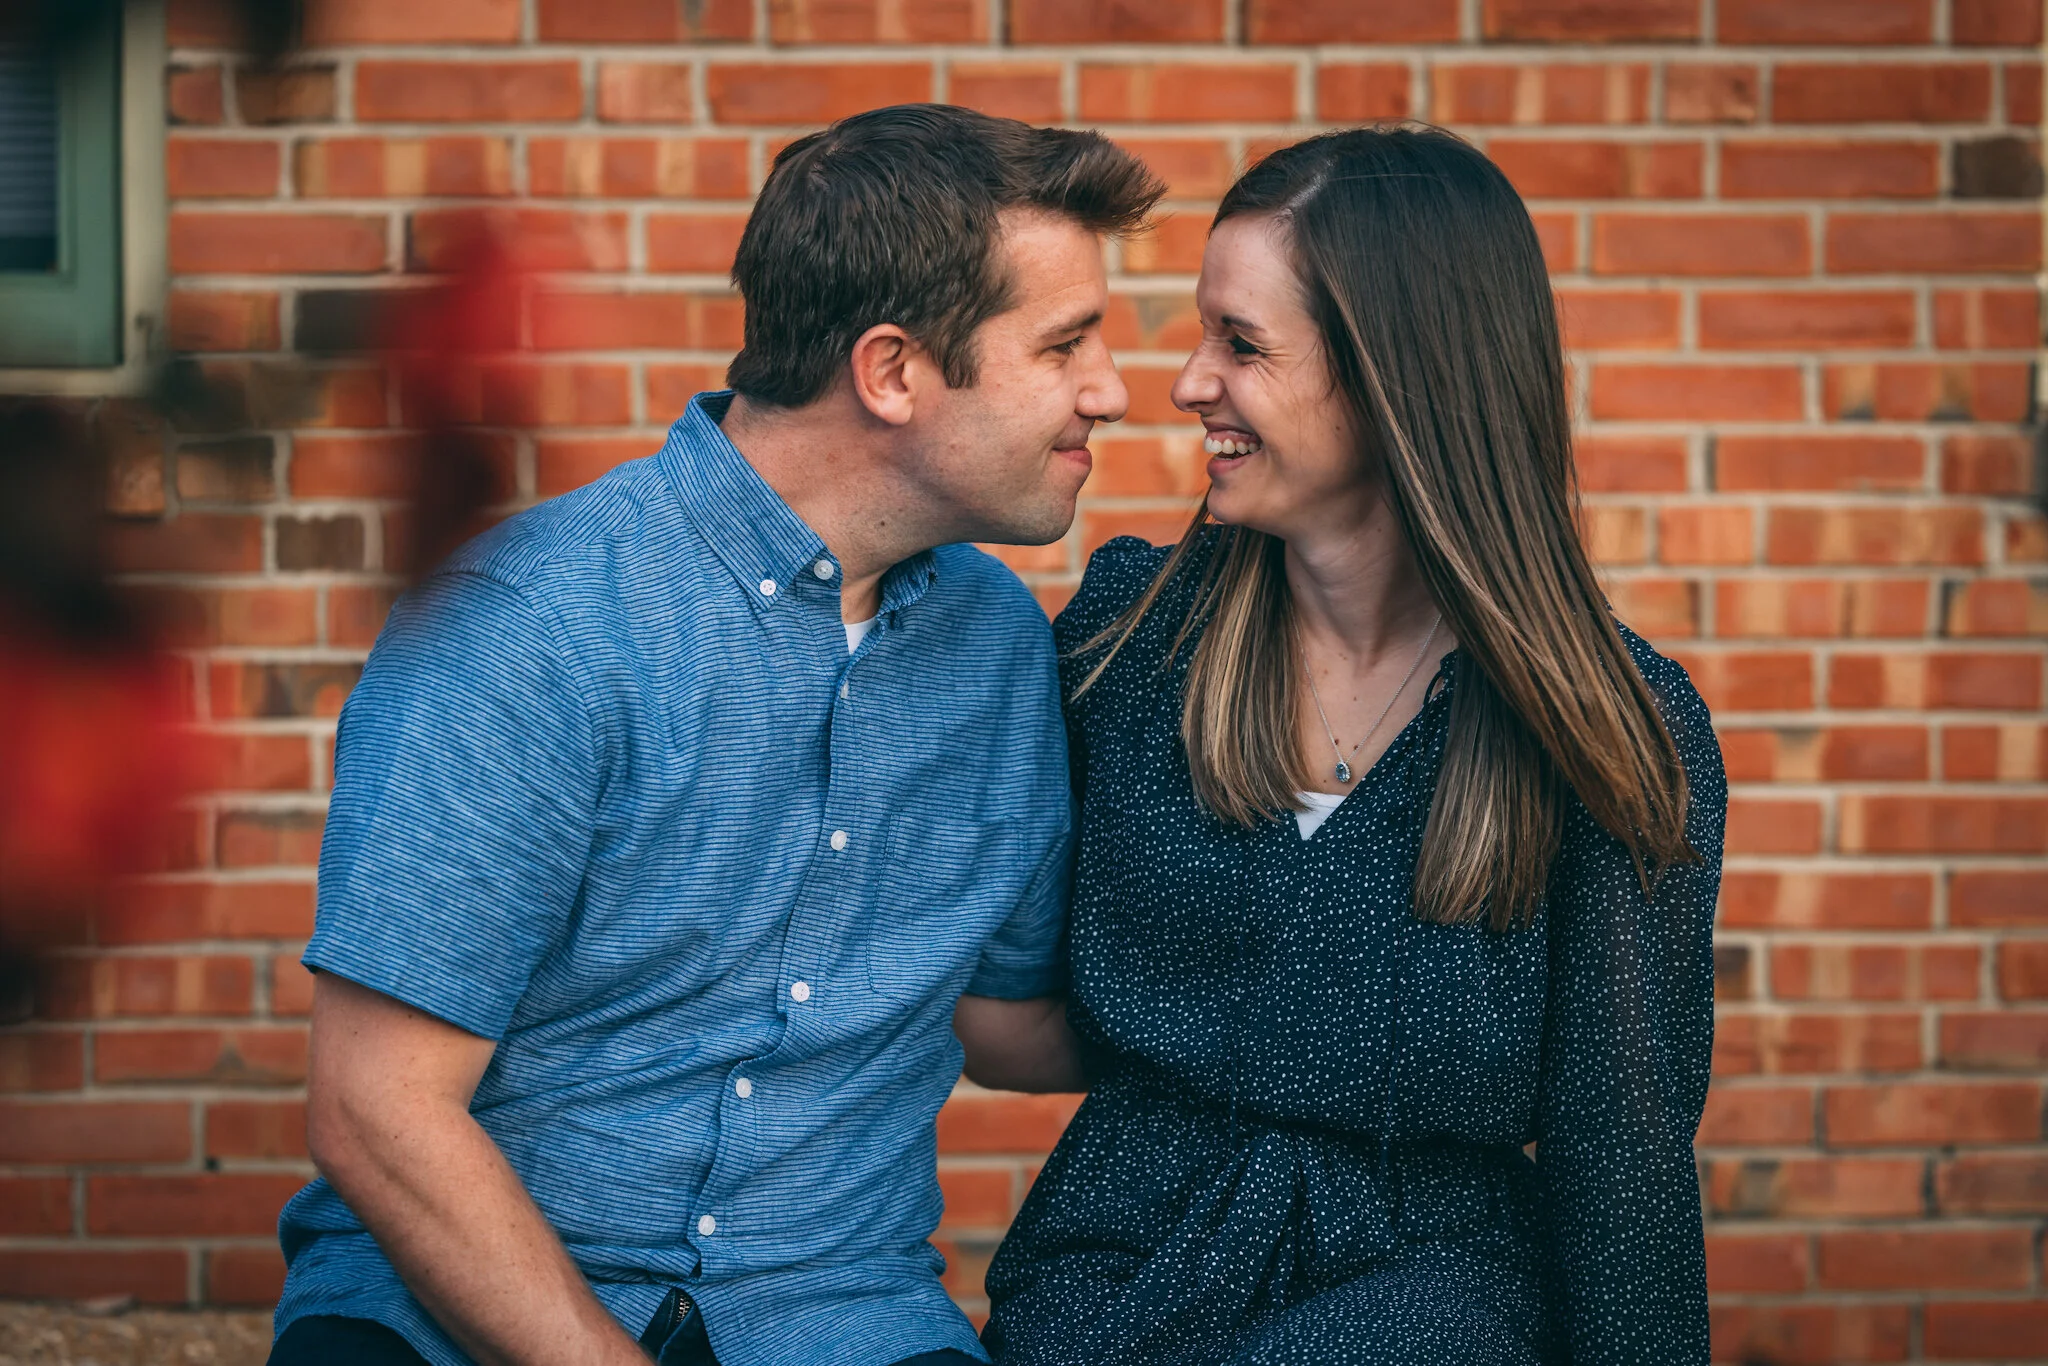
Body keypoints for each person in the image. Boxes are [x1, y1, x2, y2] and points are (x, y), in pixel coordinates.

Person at [267, 104, 1162, 1366]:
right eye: (1064, 345)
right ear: (892, 372)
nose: (1109, 393)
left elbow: (1007, 1025)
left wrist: (1301, 1001)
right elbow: (377, 1109)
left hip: (834, 1314)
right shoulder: (528, 624)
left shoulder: (998, 646)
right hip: (454, 1308)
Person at [980, 124, 1727, 1366]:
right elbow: (977, 981)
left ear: (1393, 379)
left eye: (1241, 344)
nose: (1188, 383)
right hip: (1115, 1277)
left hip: (1425, 1304)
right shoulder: (1129, 642)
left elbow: (1620, 1163)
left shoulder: (1605, 729)